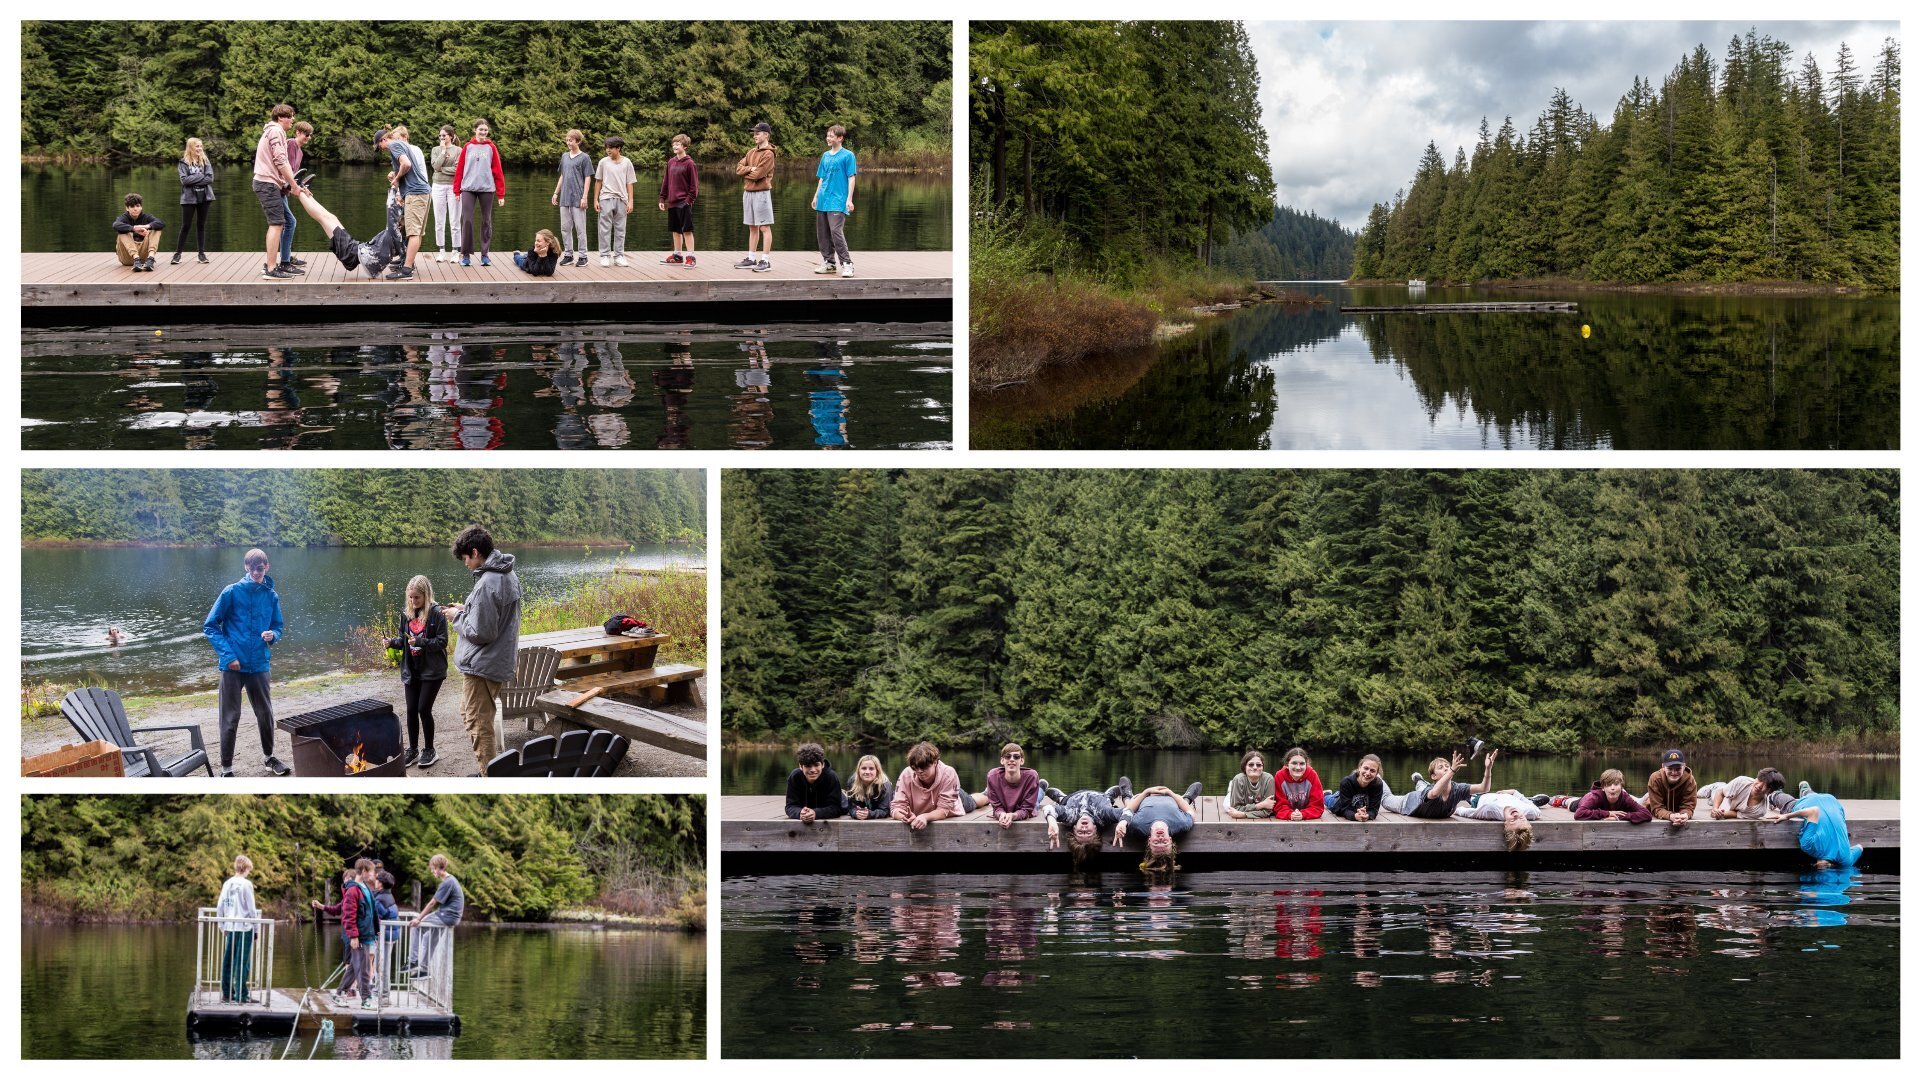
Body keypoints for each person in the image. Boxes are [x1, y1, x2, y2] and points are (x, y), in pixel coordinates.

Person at [202, 548, 287, 777]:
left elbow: (278, 626)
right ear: (246, 568)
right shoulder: (231, 592)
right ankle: (227, 769)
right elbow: (210, 626)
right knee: (230, 717)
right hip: (232, 666)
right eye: (252, 569)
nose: (257, 573)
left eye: (260, 568)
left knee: (265, 713)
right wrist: (228, 656)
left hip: (259, 663)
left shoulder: (271, 596)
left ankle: (269, 758)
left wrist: (273, 635)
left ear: (266, 567)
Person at [443, 524, 520, 770]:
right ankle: (495, 767)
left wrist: (456, 616)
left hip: (483, 665)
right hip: (495, 660)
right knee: (472, 715)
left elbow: (481, 632)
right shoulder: (507, 574)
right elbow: (496, 616)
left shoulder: (488, 582)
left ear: (475, 552)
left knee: (478, 724)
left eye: (465, 558)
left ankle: (491, 776)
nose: (465, 563)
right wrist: (468, 610)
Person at [384, 574, 447, 768]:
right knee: (411, 710)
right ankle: (412, 750)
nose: (413, 601)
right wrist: (391, 643)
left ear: (426, 595)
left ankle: (430, 750)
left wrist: (420, 641)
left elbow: (442, 642)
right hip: (412, 670)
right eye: (410, 597)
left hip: (432, 670)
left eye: (417, 598)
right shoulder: (406, 614)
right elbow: (404, 640)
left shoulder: (437, 613)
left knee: (423, 709)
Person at [288, 186, 409, 279]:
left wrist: (394, 188)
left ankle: (297, 190)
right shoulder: (400, 242)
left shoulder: (394, 233)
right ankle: (305, 193)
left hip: (351, 253)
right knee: (331, 218)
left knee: (323, 218)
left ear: (398, 225)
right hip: (354, 250)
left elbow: (391, 209)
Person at [313, 860, 377, 1008]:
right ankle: (366, 999)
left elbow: (372, 913)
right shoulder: (352, 891)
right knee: (364, 968)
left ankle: (339, 994)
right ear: (364, 871)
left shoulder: (365, 888)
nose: (373, 875)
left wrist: (376, 930)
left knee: (355, 967)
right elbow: (348, 915)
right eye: (371, 871)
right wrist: (353, 936)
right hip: (359, 936)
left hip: (367, 935)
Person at [1110, 779, 1202, 879]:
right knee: (1184, 802)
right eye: (1165, 842)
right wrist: (1170, 793)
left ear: (1149, 841)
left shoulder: (1138, 826)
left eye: (1156, 843)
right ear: (1170, 840)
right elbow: (1190, 812)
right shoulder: (1181, 823)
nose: (1160, 838)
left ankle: (1127, 796)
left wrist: (1147, 792)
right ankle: (1187, 798)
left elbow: (1128, 811)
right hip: (1170, 797)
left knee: (1128, 808)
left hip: (1145, 797)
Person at [376, 124, 432, 279]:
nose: (381, 149)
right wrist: (397, 178)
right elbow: (409, 169)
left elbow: (406, 164)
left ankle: (406, 270)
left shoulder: (394, 145)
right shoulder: (402, 145)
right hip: (422, 192)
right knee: (417, 232)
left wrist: (397, 178)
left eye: (379, 145)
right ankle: (407, 265)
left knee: (413, 232)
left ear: (384, 140)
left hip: (416, 193)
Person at [252, 104, 301, 280]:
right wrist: (293, 185)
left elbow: (280, 165)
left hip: (270, 183)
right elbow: (280, 161)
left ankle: (276, 264)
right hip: (266, 184)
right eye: (290, 116)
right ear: (281, 118)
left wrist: (288, 184)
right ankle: (271, 269)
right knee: (276, 224)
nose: (292, 120)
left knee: (283, 221)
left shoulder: (274, 131)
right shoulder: (276, 132)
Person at [1384, 747, 1498, 818]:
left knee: (1424, 787)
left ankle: (1419, 780)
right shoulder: (1431, 790)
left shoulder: (1458, 789)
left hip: (1428, 791)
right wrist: (1452, 770)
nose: (1446, 768)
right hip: (1408, 802)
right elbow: (1434, 794)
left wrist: (1488, 769)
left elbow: (1484, 788)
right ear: (1434, 776)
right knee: (1385, 799)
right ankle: (1378, 778)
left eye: (1447, 766)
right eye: (1441, 767)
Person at [454, 118, 507, 267]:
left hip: (487, 189)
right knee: (467, 220)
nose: (483, 132)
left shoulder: (491, 148)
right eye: (480, 130)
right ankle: (465, 255)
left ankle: (485, 254)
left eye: (485, 130)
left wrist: (501, 194)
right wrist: (456, 190)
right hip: (468, 189)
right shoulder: (467, 147)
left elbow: (498, 171)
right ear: (475, 130)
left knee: (486, 220)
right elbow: (460, 170)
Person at [1767, 790, 1861, 869]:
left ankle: (1806, 790)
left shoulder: (1846, 859)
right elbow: (1814, 811)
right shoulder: (1809, 846)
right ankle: (1773, 795)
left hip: (1832, 802)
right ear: (1816, 865)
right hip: (1810, 804)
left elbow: (1860, 847)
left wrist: (1845, 848)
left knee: (1813, 797)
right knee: (1789, 805)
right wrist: (1786, 816)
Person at [407, 853, 465, 979]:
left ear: (441, 868)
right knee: (429, 938)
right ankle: (424, 970)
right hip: (450, 916)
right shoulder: (450, 880)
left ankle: (413, 961)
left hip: (448, 915)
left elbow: (433, 903)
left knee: (417, 927)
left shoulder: (448, 882)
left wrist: (418, 918)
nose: (432, 871)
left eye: (433, 868)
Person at [890, 741, 972, 829]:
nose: (919, 771)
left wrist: (925, 817)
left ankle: (985, 795)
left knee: (974, 801)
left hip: (953, 801)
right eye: (915, 767)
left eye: (924, 767)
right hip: (925, 807)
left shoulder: (948, 773)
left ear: (935, 762)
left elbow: (943, 810)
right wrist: (904, 816)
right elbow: (896, 806)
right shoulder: (906, 775)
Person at [811, 123, 858, 278]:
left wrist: (849, 199)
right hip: (824, 199)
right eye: (828, 135)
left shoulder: (848, 155)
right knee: (822, 233)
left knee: (836, 231)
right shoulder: (825, 156)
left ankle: (847, 264)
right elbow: (822, 178)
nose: (828, 138)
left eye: (831, 136)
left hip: (838, 200)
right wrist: (816, 196)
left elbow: (851, 178)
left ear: (840, 138)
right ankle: (829, 263)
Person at [1044, 787, 1126, 872]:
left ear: (1074, 828)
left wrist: (1052, 821)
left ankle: (1058, 796)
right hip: (1100, 796)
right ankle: (1110, 794)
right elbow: (1127, 811)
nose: (1084, 828)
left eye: (1080, 832)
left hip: (1073, 797)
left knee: (1054, 794)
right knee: (1117, 789)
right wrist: (1123, 822)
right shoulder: (1102, 815)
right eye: (1088, 832)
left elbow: (1048, 808)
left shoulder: (1070, 815)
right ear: (1095, 829)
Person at [214, 854, 260, 1003]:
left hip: (230, 926)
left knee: (228, 960)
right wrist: (256, 928)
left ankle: (227, 992)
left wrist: (222, 926)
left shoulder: (227, 883)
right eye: (249, 870)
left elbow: (220, 905)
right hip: (245, 927)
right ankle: (241, 994)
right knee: (243, 962)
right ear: (245, 868)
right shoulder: (246, 884)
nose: (249, 873)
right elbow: (251, 909)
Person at [734, 122, 776, 272]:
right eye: (754, 133)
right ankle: (751, 259)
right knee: (752, 227)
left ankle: (765, 261)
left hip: (761, 193)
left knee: (764, 227)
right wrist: (750, 169)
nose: (755, 136)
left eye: (757, 133)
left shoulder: (769, 153)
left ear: (766, 134)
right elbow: (738, 169)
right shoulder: (751, 152)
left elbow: (758, 174)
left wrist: (749, 172)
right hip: (748, 193)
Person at [970, 742, 1040, 829]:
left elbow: (1027, 810)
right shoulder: (992, 776)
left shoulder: (1032, 776)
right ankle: (1041, 788)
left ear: (1022, 761)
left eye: (1016, 757)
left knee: (1036, 804)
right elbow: (997, 808)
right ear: (1002, 760)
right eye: (1008, 756)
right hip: (1007, 807)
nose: (1011, 759)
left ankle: (1041, 789)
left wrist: (1013, 816)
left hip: (1022, 805)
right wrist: (1001, 814)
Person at [552, 128, 593, 266]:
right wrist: (555, 193)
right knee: (565, 227)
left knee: (580, 228)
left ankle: (583, 256)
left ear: (578, 141)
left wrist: (585, 197)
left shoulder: (585, 158)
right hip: (564, 198)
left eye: (571, 140)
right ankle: (568, 254)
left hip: (578, 198)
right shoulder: (564, 156)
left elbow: (588, 178)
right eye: (567, 140)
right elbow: (562, 176)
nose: (568, 143)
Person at [594, 136, 636, 267]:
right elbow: (598, 181)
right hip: (605, 198)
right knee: (604, 229)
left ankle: (619, 256)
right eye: (607, 147)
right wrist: (595, 199)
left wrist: (630, 201)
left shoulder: (627, 162)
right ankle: (605, 255)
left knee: (620, 229)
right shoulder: (603, 162)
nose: (608, 150)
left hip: (622, 199)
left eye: (611, 148)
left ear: (618, 148)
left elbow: (629, 182)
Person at [1453, 790, 1540, 852]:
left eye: (1513, 821)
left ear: (1506, 825)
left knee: (1470, 795)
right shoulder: (1532, 812)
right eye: (1521, 818)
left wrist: (1453, 809)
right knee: (1529, 802)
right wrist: (1511, 792)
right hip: (1504, 795)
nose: (1516, 815)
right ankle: (1534, 800)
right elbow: (1519, 795)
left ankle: (1471, 797)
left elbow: (1467, 812)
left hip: (1481, 799)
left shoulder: (1490, 810)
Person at [658, 134, 699, 266]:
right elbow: (666, 182)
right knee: (675, 230)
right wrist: (662, 198)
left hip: (684, 203)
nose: (675, 146)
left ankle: (691, 257)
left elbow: (694, 187)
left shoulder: (690, 163)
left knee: (686, 230)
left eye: (678, 144)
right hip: (672, 202)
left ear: (685, 146)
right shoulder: (671, 162)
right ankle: (677, 255)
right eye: (674, 144)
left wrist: (688, 201)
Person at [278, 121, 313, 275]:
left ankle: (286, 257)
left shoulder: (300, 151)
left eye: (310, 135)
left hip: (284, 191)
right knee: (290, 222)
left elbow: (295, 177)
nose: (308, 137)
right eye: (306, 134)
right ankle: (285, 261)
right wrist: (294, 186)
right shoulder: (291, 144)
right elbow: (286, 170)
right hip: (277, 188)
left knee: (288, 223)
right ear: (298, 132)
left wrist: (303, 188)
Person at [173, 138, 214, 265]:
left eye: (201, 146)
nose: (200, 148)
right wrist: (201, 176)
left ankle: (201, 254)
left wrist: (194, 179)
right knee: (185, 226)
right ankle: (177, 254)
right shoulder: (183, 163)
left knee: (201, 225)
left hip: (205, 197)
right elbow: (184, 180)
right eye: (197, 146)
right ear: (190, 147)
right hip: (188, 198)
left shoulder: (205, 161)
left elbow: (210, 178)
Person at [785, 743, 846, 821]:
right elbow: (790, 806)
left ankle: (843, 793)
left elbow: (836, 808)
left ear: (822, 764)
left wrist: (816, 813)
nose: (813, 770)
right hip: (807, 812)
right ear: (800, 766)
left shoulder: (831, 776)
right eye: (808, 766)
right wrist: (800, 813)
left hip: (841, 804)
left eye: (816, 765)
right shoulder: (795, 777)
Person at [1701, 768, 1793, 820]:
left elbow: (1737, 814)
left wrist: (1721, 814)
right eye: (1760, 780)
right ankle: (1714, 786)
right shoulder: (1742, 781)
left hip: (1731, 803)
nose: (1759, 785)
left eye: (1765, 785)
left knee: (1717, 805)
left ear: (1770, 790)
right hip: (1723, 792)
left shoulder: (1760, 811)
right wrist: (1715, 809)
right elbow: (1720, 793)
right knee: (1709, 796)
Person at [430, 125, 462, 262]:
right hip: (437, 186)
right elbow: (435, 167)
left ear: (451, 136)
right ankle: (441, 251)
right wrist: (443, 152)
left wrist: (442, 169)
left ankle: (455, 251)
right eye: (440, 136)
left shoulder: (459, 150)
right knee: (439, 221)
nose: (442, 138)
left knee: (454, 221)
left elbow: (458, 169)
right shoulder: (436, 150)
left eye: (444, 135)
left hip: (453, 187)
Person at [1572, 769, 1653, 822]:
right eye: (1609, 785)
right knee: (1569, 803)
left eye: (1616, 784)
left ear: (1622, 786)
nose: (1612, 788)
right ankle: (1563, 799)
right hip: (1580, 803)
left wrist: (1618, 817)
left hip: (1594, 805)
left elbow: (1647, 814)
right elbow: (1578, 814)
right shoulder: (1594, 797)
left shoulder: (1625, 797)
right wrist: (1607, 813)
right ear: (1603, 787)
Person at [1645, 748, 1698, 827]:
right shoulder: (1655, 779)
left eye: (1678, 769)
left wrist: (1685, 815)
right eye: (1670, 769)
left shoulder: (1690, 781)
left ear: (1684, 766)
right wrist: (1670, 816)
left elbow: (1688, 806)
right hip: (1650, 800)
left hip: (1677, 813)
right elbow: (1657, 808)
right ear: (1663, 766)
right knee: (1637, 802)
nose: (1674, 772)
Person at [112, 193, 165, 272]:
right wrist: (133, 229)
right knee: (122, 231)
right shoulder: (123, 218)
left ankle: (150, 259)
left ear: (141, 207)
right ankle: (136, 259)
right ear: (127, 208)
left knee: (156, 228)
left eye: (137, 206)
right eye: (132, 206)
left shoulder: (146, 217)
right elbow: (115, 225)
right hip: (127, 258)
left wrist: (146, 226)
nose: (135, 209)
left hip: (144, 258)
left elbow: (161, 223)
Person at [1326, 754, 1387, 822]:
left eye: (1372, 771)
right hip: (1337, 802)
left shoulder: (1377, 785)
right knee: (1329, 800)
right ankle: (1326, 794)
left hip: (1354, 804)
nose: (1368, 773)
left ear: (1377, 773)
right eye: (1366, 768)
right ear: (1359, 767)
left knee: (1340, 794)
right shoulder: (1347, 782)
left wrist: (1367, 815)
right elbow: (1344, 810)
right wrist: (1355, 816)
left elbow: (1374, 810)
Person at [1274, 746, 1325, 820]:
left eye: (1302, 764)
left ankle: (1327, 797)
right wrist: (1289, 814)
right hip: (1290, 814)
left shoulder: (1312, 775)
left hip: (1305, 812)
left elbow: (1317, 806)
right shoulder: (1279, 776)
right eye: (1294, 763)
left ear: (1306, 765)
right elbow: (1279, 805)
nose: (1298, 767)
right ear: (1287, 764)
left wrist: (1303, 814)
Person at [1223, 749, 1276, 819]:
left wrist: (1243, 814)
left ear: (1263, 767)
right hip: (1237, 788)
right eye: (1251, 764)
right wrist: (1261, 805)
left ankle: (1232, 788)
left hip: (1245, 806)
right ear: (1244, 767)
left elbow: (1267, 811)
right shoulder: (1238, 779)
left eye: (1259, 765)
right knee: (1227, 806)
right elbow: (1236, 809)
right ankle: (1231, 789)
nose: (1255, 767)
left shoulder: (1269, 779)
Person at [844, 754, 893, 819]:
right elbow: (851, 807)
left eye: (871, 769)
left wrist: (870, 814)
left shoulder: (885, 784)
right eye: (864, 768)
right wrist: (856, 813)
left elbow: (886, 810)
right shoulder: (852, 782)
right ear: (858, 770)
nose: (867, 772)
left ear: (877, 771)